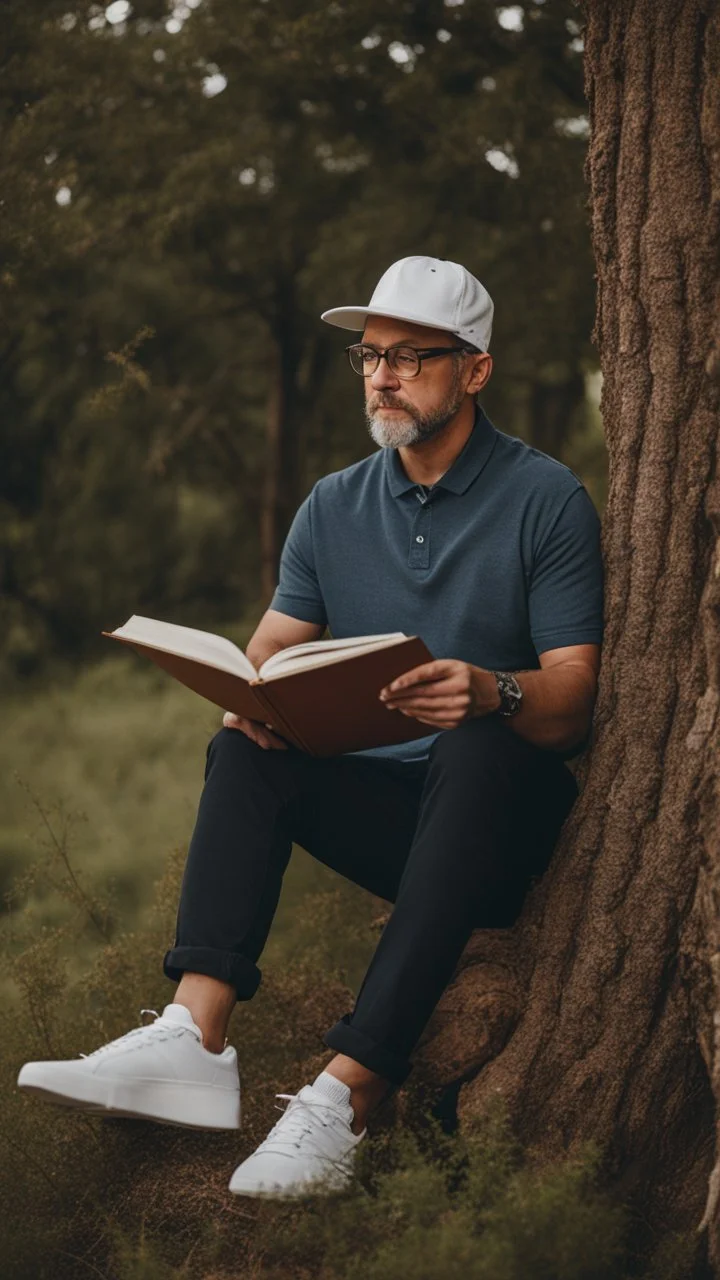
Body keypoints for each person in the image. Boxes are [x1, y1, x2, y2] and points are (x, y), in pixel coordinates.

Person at [17, 255, 604, 1200]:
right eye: (371, 356)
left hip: (508, 828)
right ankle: (192, 1038)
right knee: (243, 753)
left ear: (476, 370)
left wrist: (492, 692)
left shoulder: (547, 501)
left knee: (472, 744)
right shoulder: (333, 505)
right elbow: (267, 656)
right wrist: (253, 703)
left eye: (412, 356)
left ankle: (347, 1095)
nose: (383, 375)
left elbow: (576, 697)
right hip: (398, 824)